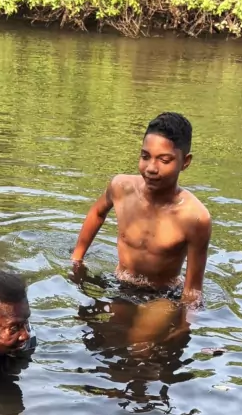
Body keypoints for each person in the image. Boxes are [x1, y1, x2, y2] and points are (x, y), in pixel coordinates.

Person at [71, 112, 212, 308]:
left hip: (162, 295)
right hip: (118, 282)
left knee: (143, 329)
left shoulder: (194, 217)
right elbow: (97, 213)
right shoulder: (121, 188)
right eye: (145, 156)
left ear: (185, 162)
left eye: (164, 160)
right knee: (89, 321)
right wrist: (77, 258)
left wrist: (185, 322)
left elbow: (193, 291)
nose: (151, 168)